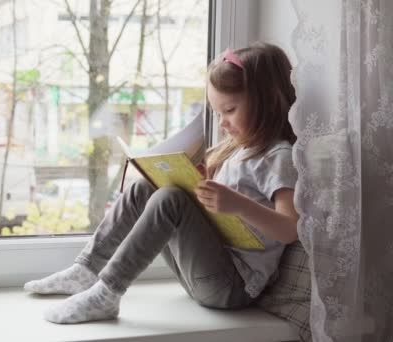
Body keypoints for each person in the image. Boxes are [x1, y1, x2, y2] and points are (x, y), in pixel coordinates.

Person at [24, 42, 299, 324]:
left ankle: (108, 291)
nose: (221, 124)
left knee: (171, 201)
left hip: (232, 287)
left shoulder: (279, 157)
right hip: (205, 273)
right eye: (217, 113)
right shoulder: (239, 151)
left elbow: (290, 229)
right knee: (146, 187)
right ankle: (86, 269)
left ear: (266, 101)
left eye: (229, 110)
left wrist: (236, 204)